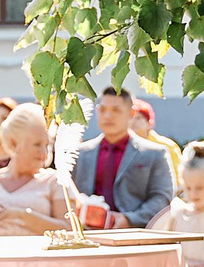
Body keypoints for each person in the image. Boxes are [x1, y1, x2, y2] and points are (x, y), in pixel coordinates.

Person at [0, 104, 75, 235]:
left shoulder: (56, 181)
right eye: (37, 144)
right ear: (13, 143)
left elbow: (70, 230)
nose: (44, 153)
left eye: (47, 145)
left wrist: (22, 215)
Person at [70, 86, 176, 229]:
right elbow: (67, 194)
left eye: (116, 110)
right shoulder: (80, 153)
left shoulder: (154, 154)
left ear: (131, 113)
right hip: (87, 234)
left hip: (134, 234)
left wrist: (129, 220)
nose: (108, 116)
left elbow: (162, 198)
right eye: (103, 109)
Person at [131, 97, 185, 171]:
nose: (133, 121)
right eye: (130, 117)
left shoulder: (167, 146)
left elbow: (177, 174)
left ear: (149, 123)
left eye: (138, 118)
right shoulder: (122, 146)